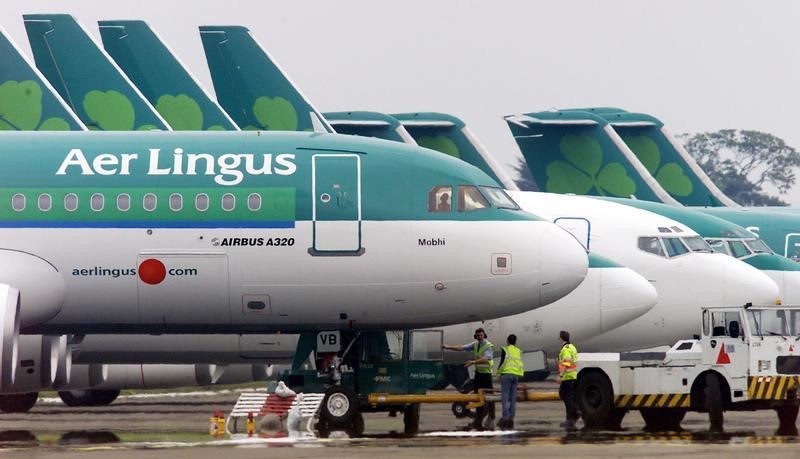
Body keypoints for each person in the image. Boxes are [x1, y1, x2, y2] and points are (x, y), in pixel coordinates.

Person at [443, 327, 495, 430]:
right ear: (476, 336)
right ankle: (479, 419)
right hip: (478, 374)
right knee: (476, 397)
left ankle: (491, 417)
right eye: (478, 335)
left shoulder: (488, 346)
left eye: (481, 335)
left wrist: (473, 362)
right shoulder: (475, 344)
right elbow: (462, 348)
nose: (480, 337)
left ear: (484, 335)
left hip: (486, 375)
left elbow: (487, 358)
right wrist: (448, 347)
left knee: (489, 397)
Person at [497, 334, 524, 429]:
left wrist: (499, 373)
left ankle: (505, 418)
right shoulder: (518, 351)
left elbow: (502, 362)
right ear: (515, 342)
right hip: (515, 376)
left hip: (507, 375)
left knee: (505, 397)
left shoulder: (505, 350)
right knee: (513, 398)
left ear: (507, 341)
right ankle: (511, 417)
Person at [557, 330, 579, 430]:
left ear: (561, 338)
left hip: (567, 376)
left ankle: (572, 416)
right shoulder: (572, 347)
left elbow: (566, 363)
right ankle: (572, 416)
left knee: (566, 397)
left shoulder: (565, 349)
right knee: (568, 396)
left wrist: (561, 375)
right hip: (573, 375)